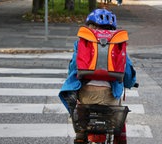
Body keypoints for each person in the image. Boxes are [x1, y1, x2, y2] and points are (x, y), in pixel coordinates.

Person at [58, 8, 136, 144]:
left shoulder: (82, 43)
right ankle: (120, 140)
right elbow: (127, 73)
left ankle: (80, 137)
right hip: (109, 97)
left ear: (90, 26)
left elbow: (73, 69)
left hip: (87, 96)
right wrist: (129, 83)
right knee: (118, 119)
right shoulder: (117, 44)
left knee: (80, 109)